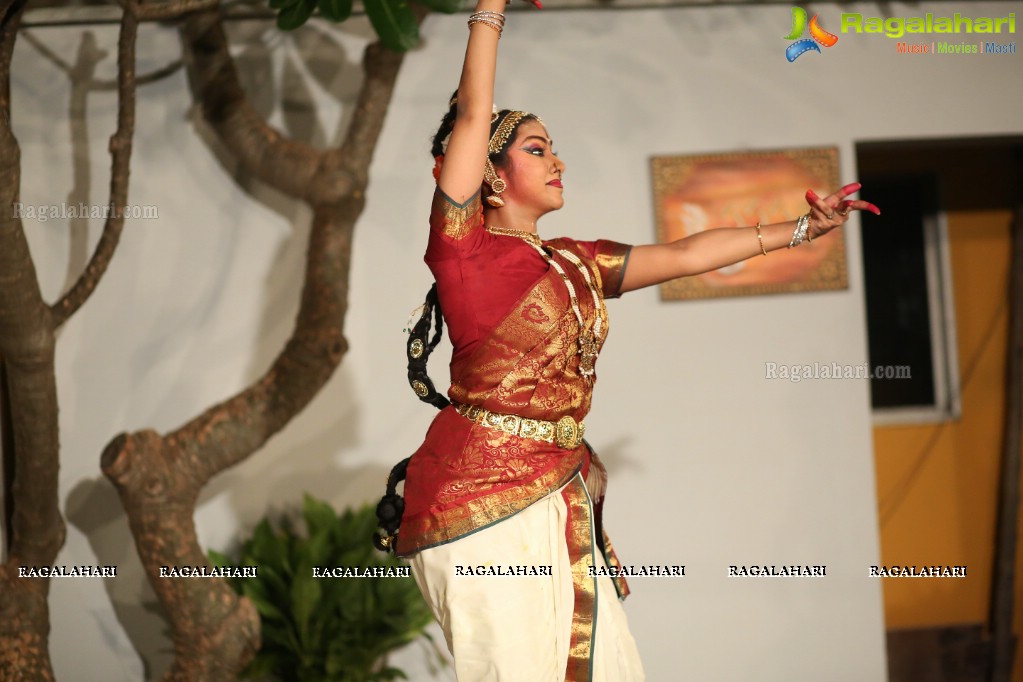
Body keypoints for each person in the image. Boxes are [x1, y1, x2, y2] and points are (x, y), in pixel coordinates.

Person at [378, 1, 881, 679]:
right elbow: (472, 114)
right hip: (474, 500)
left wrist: (800, 231)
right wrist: (489, 10)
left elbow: (681, 255)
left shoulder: (575, 261)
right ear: (489, 175)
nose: (556, 159)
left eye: (552, 147)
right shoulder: (462, 249)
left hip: (554, 487)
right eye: (535, 148)